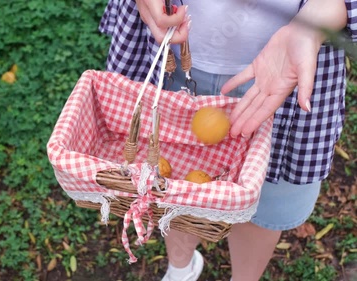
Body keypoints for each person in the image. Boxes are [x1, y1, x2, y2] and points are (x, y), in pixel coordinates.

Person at [99, 0, 356, 280]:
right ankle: (180, 269)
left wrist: (317, 19)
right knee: (171, 187)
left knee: (262, 201)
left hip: (289, 71)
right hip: (174, 51)